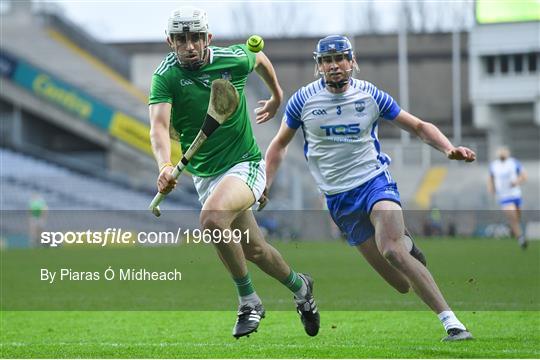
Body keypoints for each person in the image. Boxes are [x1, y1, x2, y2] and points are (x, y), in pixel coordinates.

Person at [263, 35, 476, 342]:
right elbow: (278, 147)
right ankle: (406, 243)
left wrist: (448, 149)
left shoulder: (370, 95)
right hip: (338, 200)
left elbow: (417, 126)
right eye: (327, 60)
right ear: (319, 65)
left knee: (392, 250)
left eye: (340, 58)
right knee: (401, 284)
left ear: (352, 62)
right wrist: (266, 185)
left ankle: (453, 323)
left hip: (374, 182)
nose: (334, 66)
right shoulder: (302, 101)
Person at [148, 7, 319, 339]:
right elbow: (158, 127)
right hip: (205, 174)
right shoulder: (165, 76)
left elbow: (258, 57)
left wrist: (276, 95)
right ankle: (302, 289)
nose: (190, 46)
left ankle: (249, 302)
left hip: (246, 164)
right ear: (170, 41)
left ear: (207, 37)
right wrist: (165, 165)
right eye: (181, 39)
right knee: (255, 251)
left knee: (212, 218)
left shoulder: (232, 59)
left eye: (196, 38)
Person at [488, 146, 528, 249]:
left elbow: (524, 176)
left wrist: (517, 181)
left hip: (515, 194)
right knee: (512, 214)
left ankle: (512, 229)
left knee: (517, 217)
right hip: (504, 196)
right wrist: (492, 190)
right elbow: (491, 179)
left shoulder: (514, 163)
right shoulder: (494, 165)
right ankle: (521, 238)